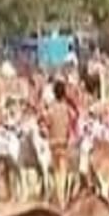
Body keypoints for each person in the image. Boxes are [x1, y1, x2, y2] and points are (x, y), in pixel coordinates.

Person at [46, 78, 73, 208]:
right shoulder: (66, 109)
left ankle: (60, 199)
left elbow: (47, 124)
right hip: (63, 143)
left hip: (53, 144)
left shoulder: (51, 109)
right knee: (63, 173)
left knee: (57, 174)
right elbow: (69, 125)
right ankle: (63, 201)